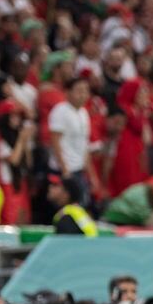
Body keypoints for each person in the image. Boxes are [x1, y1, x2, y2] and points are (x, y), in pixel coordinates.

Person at [48, 77, 98, 208]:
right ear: (68, 92)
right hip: (63, 170)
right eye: (79, 91)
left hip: (78, 169)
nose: (83, 94)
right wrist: (64, 170)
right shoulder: (60, 111)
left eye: (85, 91)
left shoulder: (84, 113)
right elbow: (55, 142)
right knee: (62, 208)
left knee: (81, 207)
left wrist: (91, 174)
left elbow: (84, 145)